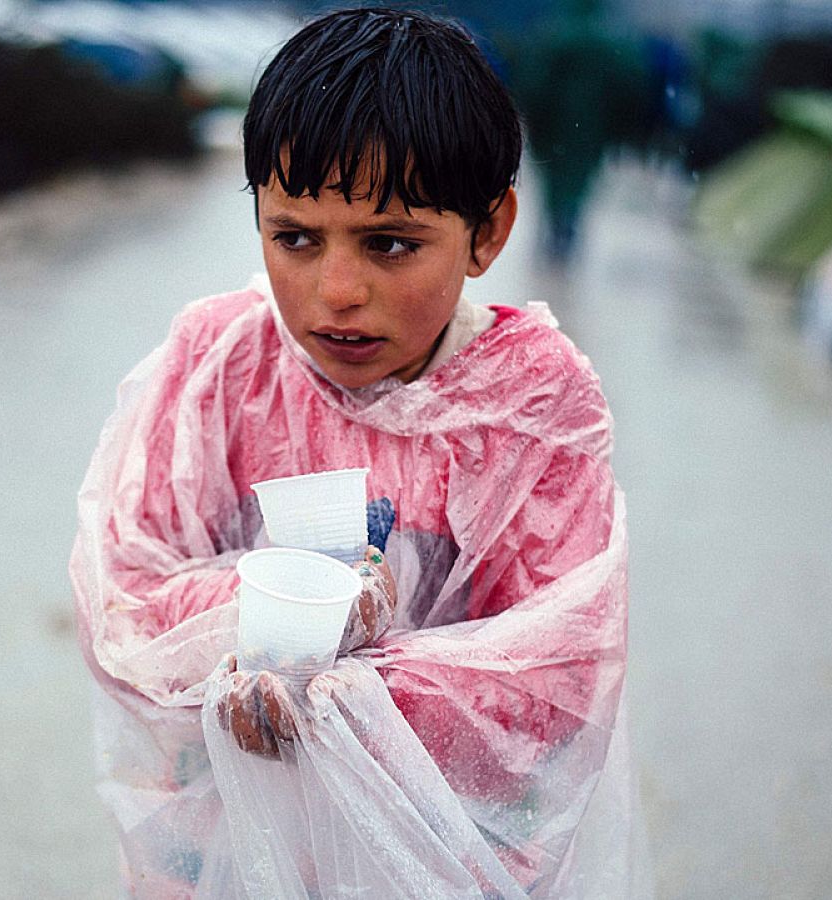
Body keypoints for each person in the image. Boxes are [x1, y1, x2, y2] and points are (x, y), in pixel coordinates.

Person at [70, 8, 639, 897]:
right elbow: (123, 598)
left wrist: (349, 700)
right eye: (294, 238)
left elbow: (559, 668)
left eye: (391, 244)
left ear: (487, 233)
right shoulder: (222, 371)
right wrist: (250, 632)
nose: (336, 292)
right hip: (232, 855)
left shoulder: (529, 406)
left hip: (440, 856)